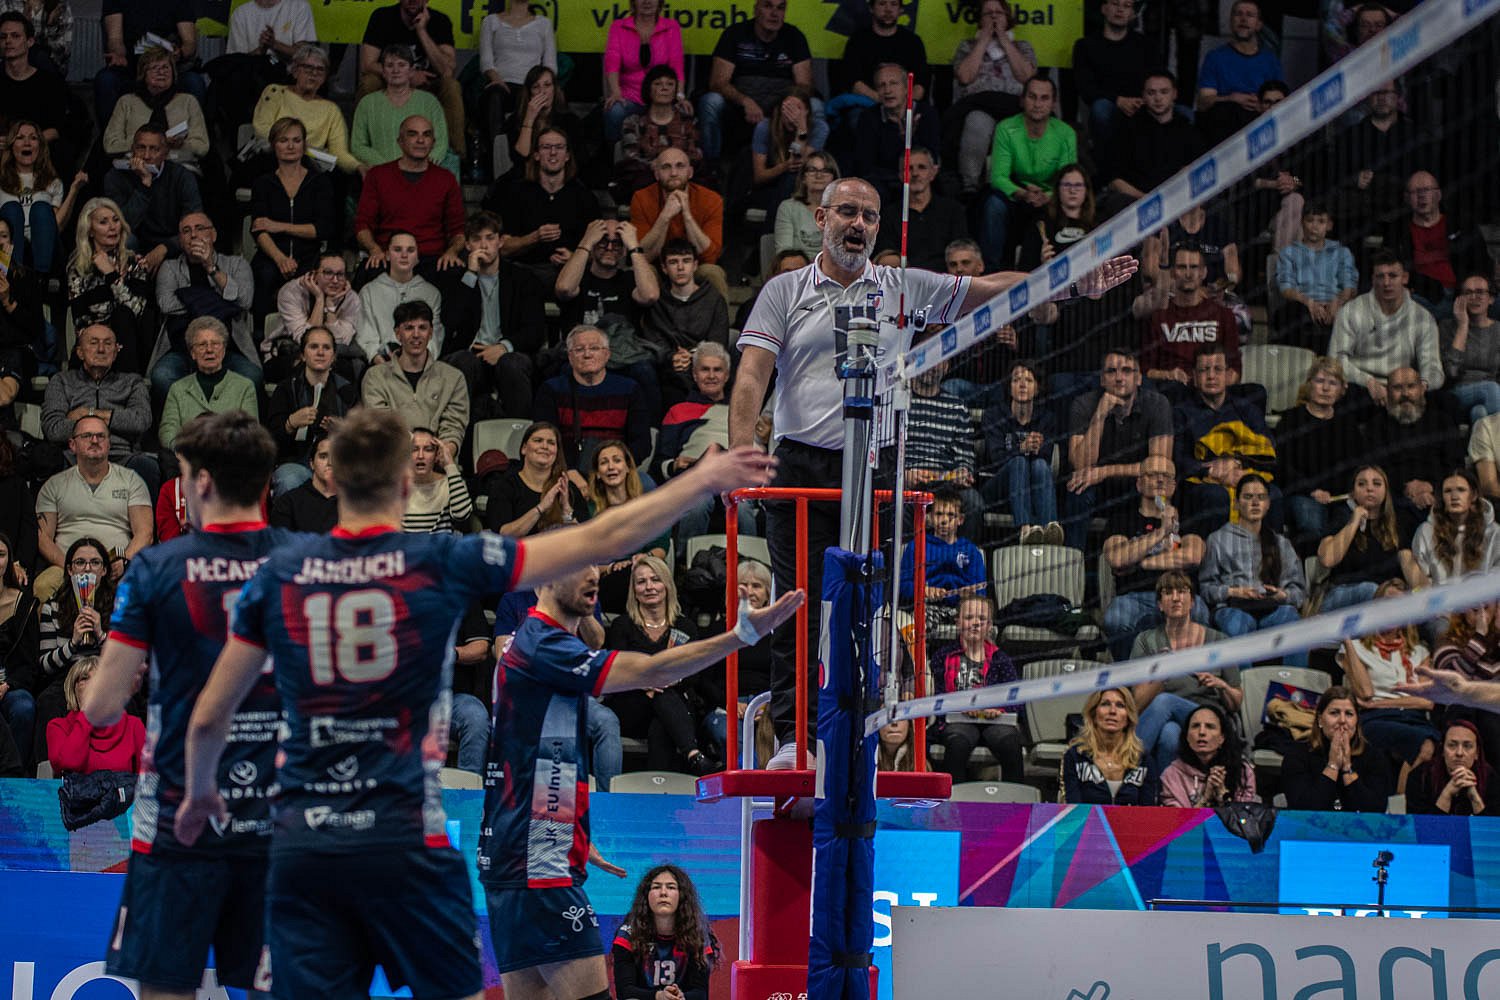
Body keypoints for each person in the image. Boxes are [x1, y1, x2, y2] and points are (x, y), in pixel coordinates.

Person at [172, 407, 785, 996]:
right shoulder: (443, 560)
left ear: (330, 477)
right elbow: (603, 535)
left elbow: (209, 718)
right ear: (407, 483)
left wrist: (200, 795)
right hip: (406, 839)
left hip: (308, 840)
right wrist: (701, 479)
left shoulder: (281, 572)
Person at [730, 174, 1136, 755]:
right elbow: (752, 375)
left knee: (864, 609)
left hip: (875, 465)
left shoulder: (900, 286)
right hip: (800, 466)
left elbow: (989, 289)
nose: (859, 224)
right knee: (799, 605)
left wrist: (1069, 282)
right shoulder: (784, 290)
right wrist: (741, 454)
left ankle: (855, 736)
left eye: (870, 216)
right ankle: (797, 739)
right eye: (847, 212)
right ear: (821, 219)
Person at [478, 558, 800, 1000]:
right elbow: (653, 671)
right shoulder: (544, 646)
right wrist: (740, 635)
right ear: (545, 581)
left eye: (596, 565)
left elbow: (530, 755)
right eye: (580, 564)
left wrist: (565, 830)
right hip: (540, 871)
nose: (593, 574)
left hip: (514, 857)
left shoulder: (532, 643)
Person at [71, 411, 284, 996]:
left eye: (185, 475)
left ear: (204, 482)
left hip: (176, 815)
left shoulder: (157, 567)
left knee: (166, 985)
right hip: (275, 816)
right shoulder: (303, 559)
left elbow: (100, 710)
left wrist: (131, 670)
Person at [604, 554, 720, 773]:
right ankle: (694, 755)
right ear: (634, 590)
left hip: (673, 703)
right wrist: (645, 682)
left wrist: (670, 680)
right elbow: (618, 668)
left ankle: (662, 782)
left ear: (667, 585)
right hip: (632, 704)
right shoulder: (622, 625)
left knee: (661, 722)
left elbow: (694, 674)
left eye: (655, 580)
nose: (649, 587)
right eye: (641, 582)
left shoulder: (685, 626)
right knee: (664, 703)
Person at [438, 211, 546, 421]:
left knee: (512, 364)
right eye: (476, 239)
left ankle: (520, 433)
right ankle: (459, 436)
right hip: (471, 354)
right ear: (467, 245)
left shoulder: (523, 279)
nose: (484, 245)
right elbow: (450, 323)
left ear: (500, 241)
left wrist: (504, 347)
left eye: (490, 238)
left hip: (509, 352)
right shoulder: (457, 280)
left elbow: (535, 330)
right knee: (463, 361)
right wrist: (470, 274)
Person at [1061, 346, 1171, 548]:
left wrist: (1104, 471)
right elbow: (1081, 464)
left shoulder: (1157, 404)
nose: (1119, 378)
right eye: (1111, 371)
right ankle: (1073, 560)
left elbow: (1160, 467)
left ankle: (1151, 557)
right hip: (1098, 487)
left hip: (1137, 484)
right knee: (1078, 488)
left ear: (1139, 378)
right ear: (1102, 379)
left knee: (1158, 488)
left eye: (1127, 371)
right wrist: (1100, 413)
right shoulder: (1084, 404)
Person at [1126, 572, 1238, 770]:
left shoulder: (1219, 640)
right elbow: (1137, 704)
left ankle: (1124, 767)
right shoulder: (1146, 641)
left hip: (1209, 716)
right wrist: (1163, 674)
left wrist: (1221, 685)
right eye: (1168, 592)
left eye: (1182, 591)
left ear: (1192, 601)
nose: (1176, 598)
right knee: (1170, 734)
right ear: (1160, 605)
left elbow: (1236, 702)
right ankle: (1164, 790)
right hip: (1165, 719)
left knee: (1165, 701)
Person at [1102, 456, 1208, 661]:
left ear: (1174, 486)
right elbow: (1117, 558)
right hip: (1135, 596)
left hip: (1179, 593)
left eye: (1166, 476)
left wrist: (1142, 562)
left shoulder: (1189, 519)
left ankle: (1184, 674)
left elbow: (1192, 557)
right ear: (1139, 483)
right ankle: (1131, 674)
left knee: (1200, 613)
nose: (1160, 480)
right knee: (1116, 618)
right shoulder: (1121, 519)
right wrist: (1161, 533)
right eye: (1153, 475)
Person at [34, 418, 152, 598]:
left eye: (100, 436)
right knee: (43, 585)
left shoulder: (131, 481)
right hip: (66, 567)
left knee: (147, 585)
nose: (95, 440)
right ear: (72, 445)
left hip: (117, 567)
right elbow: (42, 537)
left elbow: (145, 533)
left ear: (109, 443)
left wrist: (124, 561)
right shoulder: (54, 485)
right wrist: (69, 566)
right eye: (87, 436)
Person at [150, 212, 260, 401]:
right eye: (186, 231)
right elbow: (166, 304)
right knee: (161, 377)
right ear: (180, 240)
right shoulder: (170, 268)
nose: (193, 235)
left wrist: (210, 268)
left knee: (252, 377)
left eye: (200, 228)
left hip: (228, 349)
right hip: (181, 349)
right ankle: (192, 416)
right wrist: (222, 303)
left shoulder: (236, 264)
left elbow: (244, 301)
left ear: (213, 235)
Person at [1339, 578, 1440, 780]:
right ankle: (1403, 798)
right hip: (1376, 720)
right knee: (1425, 745)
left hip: (1413, 719)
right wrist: (1347, 640)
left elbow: (1427, 702)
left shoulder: (1420, 651)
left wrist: (1380, 703)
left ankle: (1400, 796)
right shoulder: (1355, 648)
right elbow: (1365, 693)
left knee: (1441, 744)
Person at [1172, 345, 1276, 535]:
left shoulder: (1247, 409)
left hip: (1244, 474)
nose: (1211, 376)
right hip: (1201, 483)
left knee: (1273, 494)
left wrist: (1237, 464)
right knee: (1217, 496)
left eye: (1218, 369)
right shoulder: (1181, 412)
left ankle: (1269, 552)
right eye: (1204, 370)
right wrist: (1211, 471)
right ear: (1194, 376)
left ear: (1228, 375)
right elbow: (1177, 459)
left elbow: (1268, 450)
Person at [40, 323, 156, 490]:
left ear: (115, 353)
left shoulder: (132, 382)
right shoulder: (61, 381)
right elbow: (54, 429)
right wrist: (114, 418)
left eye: (108, 344)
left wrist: (87, 414)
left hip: (121, 456)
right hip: (74, 457)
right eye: (93, 343)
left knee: (148, 467)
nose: (101, 349)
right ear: (80, 352)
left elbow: (141, 421)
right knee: (46, 462)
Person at [980, 76, 1077, 269]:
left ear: (1053, 103)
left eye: (1044, 98)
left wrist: (1048, 195)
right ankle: (992, 272)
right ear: (1022, 100)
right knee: (993, 205)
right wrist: (1023, 193)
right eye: (1032, 97)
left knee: (1072, 202)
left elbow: (1068, 178)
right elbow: (998, 177)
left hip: (1052, 198)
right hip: (1017, 194)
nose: (1038, 104)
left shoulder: (1066, 133)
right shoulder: (1006, 128)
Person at [34, 537, 119, 757]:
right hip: (66, 676)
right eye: (80, 562)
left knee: (129, 704)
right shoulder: (53, 606)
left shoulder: (119, 605)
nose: (87, 569)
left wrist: (101, 634)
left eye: (95, 562)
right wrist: (72, 643)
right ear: (70, 570)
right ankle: (47, 770)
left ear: (104, 570)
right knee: (47, 702)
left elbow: (125, 661)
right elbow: (44, 665)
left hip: (106, 675)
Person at [248, 116, 338, 323]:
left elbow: (322, 229)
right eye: (283, 140)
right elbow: (259, 229)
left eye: (296, 141)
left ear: (304, 145)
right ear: (274, 145)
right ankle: (261, 335)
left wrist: (279, 226)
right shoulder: (263, 183)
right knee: (264, 275)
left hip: (309, 256)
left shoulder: (319, 182)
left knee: (314, 280)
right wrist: (281, 259)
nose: (290, 146)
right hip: (272, 256)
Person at [1199, 475, 1307, 646]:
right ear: (1236, 503)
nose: (1255, 503)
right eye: (1248, 497)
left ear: (1268, 504)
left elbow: (1299, 593)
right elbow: (1206, 589)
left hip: (1272, 608)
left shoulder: (1281, 543)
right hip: (1233, 608)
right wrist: (1235, 592)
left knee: (1291, 618)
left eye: (1261, 497)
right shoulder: (1217, 539)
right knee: (1236, 624)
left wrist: (1281, 594)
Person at [650, 342, 742, 544]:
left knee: (742, 506)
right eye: (705, 369)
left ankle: (750, 561)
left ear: (727, 375)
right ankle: (687, 562)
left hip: (734, 478)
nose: (711, 376)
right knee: (698, 504)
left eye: (717, 370)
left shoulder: (741, 410)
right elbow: (658, 464)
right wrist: (675, 464)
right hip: (693, 478)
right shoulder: (678, 411)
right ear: (694, 374)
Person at [699, 0, 814, 160]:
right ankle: (711, 166)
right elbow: (717, 83)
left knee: (816, 106)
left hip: (782, 106)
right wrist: (745, 101)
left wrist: (789, 105)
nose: (774, 13)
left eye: (780, 8)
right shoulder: (735, 33)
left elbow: (804, 85)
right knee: (711, 101)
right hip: (740, 106)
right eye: (768, 6)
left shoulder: (795, 36)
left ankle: (808, 165)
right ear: (756, 10)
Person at [354, 114, 464, 277]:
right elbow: (362, 225)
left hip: (432, 258)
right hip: (388, 257)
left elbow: (458, 230)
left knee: (455, 273)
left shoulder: (446, 179)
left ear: (433, 142)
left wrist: (452, 252)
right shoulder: (378, 175)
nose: (420, 140)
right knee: (368, 272)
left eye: (426, 135)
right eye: (412, 134)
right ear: (400, 141)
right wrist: (374, 249)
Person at [489, 126, 600, 287]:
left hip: (570, 274)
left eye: (559, 147)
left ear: (567, 155)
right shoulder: (516, 194)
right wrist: (535, 237)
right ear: (536, 155)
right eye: (546, 147)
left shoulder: (584, 197)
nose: (553, 152)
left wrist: (574, 257)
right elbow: (502, 248)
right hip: (524, 272)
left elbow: (599, 251)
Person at [1329, 252, 1443, 407]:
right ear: (1373, 279)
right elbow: (1335, 359)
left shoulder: (1423, 317)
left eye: (1393, 276)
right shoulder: (1351, 311)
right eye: (1380, 276)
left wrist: (1421, 386)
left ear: (1405, 278)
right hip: (1360, 386)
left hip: (1404, 387)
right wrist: (1368, 381)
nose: (1386, 283)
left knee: (1445, 403)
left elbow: (1433, 367)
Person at [929, 595, 1022, 782]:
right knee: (957, 744)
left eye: (982, 619)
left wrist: (1000, 710)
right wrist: (959, 706)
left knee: (1010, 743)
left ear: (990, 626)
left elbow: (1017, 698)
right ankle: (954, 798)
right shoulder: (942, 656)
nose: (975, 623)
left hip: (995, 722)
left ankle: (1015, 799)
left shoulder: (1000, 658)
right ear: (957, 622)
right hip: (957, 720)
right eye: (969, 617)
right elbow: (936, 695)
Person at [536, 324, 654, 470]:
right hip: (567, 471)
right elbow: (544, 442)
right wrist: (568, 471)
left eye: (594, 348)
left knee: (646, 482)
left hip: (617, 469)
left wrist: (615, 468)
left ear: (607, 354)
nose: (587, 354)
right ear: (570, 357)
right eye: (579, 349)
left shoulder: (630, 389)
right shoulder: (551, 390)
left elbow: (642, 444)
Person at [949, 0, 1036, 195]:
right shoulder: (967, 46)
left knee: (1010, 128)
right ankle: (970, 186)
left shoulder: (1022, 47)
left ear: (1008, 18)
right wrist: (983, 40)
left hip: (1013, 107)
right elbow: (965, 76)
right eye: (988, 13)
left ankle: (1003, 186)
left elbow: (1027, 77)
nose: (994, 16)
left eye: (999, 13)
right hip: (978, 106)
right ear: (980, 20)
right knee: (977, 122)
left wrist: (1004, 39)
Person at [361, 300, 468, 458]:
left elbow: (453, 426)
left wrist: (442, 454)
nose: (416, 334)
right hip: (394, 462)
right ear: (398, 333)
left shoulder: (453, 378)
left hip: (438, 463)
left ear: (430, 333)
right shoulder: (375, 377)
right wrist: (415, 454)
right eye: (409, 328)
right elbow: (383, 426)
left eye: (422, 328)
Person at [1278, 358, 1363, 550]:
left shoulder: (1347, 424)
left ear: (1341, 390)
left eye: (1333, 383)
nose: (1325, 388)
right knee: (1311, 522)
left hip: (1339, 496)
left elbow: (1357, 465)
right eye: (1319, 381)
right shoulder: (1291, 419)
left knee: (1351, 522)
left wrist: (1344, 491)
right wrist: (1313, 491)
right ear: (1309, 384)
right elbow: (1283, 466)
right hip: (1302, 493)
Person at [357, 0, 462, 154]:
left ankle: (455, 155)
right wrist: (406, 75)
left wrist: (422, 31)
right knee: (369, 82)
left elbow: (447, 70)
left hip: (428, 84)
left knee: (451, 86)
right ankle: (362, 147)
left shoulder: (440, 20)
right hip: (391, 82)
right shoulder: (382, 17)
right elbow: (367, 64)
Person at [265, 325, 358, 496]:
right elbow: (270, 441)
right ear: (303, 355)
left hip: (338, 463)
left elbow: (362, 442)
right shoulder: (286, 389)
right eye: (314, 347)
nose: (320, 352)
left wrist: (344, 432)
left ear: (334, 356)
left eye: (326, 348)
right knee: (289, 479)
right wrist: (290, 423)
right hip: (296, 463)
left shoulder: (347, 390)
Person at [1382, 171, 1491, 315]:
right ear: (1406, 198)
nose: (1422, 196)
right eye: (1415, 192)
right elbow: (1387, 268)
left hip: (1462, 294)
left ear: (1438, 195)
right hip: (1419, 296)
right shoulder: (1396, 230)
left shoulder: (1462, 224)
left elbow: (1482, 262)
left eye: (1427, 190)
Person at [1363, 366, 1464, 518]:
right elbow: (1374, 469)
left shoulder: (1443, 422)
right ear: (1387, 392)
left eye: (1411, 386)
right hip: (1394, 498)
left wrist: (1431, 487)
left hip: (1439, 494)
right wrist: (1407, 489)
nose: (1405, 394)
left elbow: (1456, 465)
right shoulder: (1376, 426)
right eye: (1397, 388)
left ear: (1422, 389)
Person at [66, 197, 154, 373]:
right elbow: (81, 322)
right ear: (90, 231)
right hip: (93, 345)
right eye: (103, 222)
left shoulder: (134, 262)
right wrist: (103, 344)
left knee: (123, 315)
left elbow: (138, 312)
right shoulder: (78, 267)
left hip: (131, 346)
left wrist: (111, 276)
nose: (112, 227)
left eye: (115, 220)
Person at [1317, 465, 1421, 612]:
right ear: (1353, 492)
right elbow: (1327, 559)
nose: (1370, 488)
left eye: (1377, 484)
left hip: (1388, 596)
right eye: (1362, 484)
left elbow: (1410, 566)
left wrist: (1428, 599)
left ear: (1386, 491)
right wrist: (1354, 520)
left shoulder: (1397, 523)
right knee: (1370, 589)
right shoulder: (1341, 517)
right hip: (1341, 595)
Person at [100, 124, 202, 271]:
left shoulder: (182, 177)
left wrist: (165, 247)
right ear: (132, 149)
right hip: (135, 245)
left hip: (171, 244)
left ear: (166, 153)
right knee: (126, 240)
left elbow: (195, 224)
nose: (146, 156)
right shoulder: (116, 177)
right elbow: (121, 226)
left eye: (154, 149)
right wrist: (144, 187)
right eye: (141, 148)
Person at [980, 359, 1060, 544]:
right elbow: (995, 459)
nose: (1022, 385)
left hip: (1033, 489)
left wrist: (1037, 448)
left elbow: (1046, 459)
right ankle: (1025, 529)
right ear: (1009, 388)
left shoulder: (1047, 419)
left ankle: (1049, 529)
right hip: (998, 488)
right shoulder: (994, 416)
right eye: (1016, 380)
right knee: (1018, 462)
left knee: (1040, 465)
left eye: (1029, 380)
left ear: (1037, 388)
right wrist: (1022, 448)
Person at [612, 864, 719, 1000]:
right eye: (656, 887)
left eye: (671, 887)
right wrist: (659, 996)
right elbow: (624, 991)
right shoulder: (628, 935)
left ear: (681, 896)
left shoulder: (697, 936)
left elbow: (701, 993)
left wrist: (682, 997)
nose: (663, 893)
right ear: (646, 896)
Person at [251, 44, 360, 177]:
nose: (314, 74)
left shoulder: (331, 109)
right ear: (295, 71)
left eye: (320, 70)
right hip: (275, 158)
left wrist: (359, 166)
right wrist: (294, 147)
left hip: (311, 167)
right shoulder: (275, 92)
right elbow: (262, 129)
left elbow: (340, 152)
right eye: (308, 68)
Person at [643, 240, 729, 406]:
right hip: (669, 366)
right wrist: (672, 357)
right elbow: (653, 339)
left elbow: (719, 340)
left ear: (695, 265)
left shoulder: (713, 298)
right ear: (664, 268)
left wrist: (693, 356)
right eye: (673, 262)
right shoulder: (657, 301)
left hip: (705, 363)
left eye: (686, 261)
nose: (681, 267)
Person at [1141, 246, 1241, 389]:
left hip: (1212, 389)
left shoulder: (1224, 315)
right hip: (1172, 389)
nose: (1188, 274)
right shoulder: (1157, 316)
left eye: (1194, 267)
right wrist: (1168, 375)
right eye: (1182, 267)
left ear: (1204, 272)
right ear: (1172, 272)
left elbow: (1235, 369)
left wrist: (1212, 383)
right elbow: (1145, 370)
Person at [1281, 685, 1394, 812]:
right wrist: (1333, 766)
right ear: (1320, 719)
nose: (1342, 720)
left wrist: (1347, 768)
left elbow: (1375, 811)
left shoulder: (1374, 756)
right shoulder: (1297, 754)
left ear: (1357, 721)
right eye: (1334, 713)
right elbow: (1303, 808)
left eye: (1349, 714)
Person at [1103, 71, 1203, 210]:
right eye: (1151, 93)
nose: (1158, 98)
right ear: (1143, 96)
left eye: (1164, 92)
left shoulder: (1187, 130)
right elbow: (1114, 179)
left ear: (1174, 94)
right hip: (1135, 203)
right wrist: (1146, 200)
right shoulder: (1127, 129)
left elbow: (1195, 172)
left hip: (1176, 202)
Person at [94, 0, 204, 126]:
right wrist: (118, 54)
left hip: (170, 67)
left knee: (194, 82)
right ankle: (111, 136)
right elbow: (115, 39)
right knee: (106, 80)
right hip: (131, 67)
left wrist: (179, 53)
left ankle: (194, 136)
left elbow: (189, 42)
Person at [588, 441, 667, 614]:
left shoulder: (648, 508)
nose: (611, 467)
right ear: (598, 474)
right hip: (605, 578)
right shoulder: (589, 511)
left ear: (628, 468)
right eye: (604, 463)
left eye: (617, 460)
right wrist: (611, 567)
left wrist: (643, 558)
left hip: (640, 572)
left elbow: (661, 548)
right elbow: (583, 562)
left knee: (641, 576)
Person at [102, 47, 209, 174]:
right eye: (155, 68)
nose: (161, 72)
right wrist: (145, 143)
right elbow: (110, 145)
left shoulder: (188, 101)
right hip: (136, 167)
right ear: (143, 74)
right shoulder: (126, 102)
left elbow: (203, 147)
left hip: (178, 167)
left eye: (166, 68)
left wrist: (182, 144)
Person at [555, 219, 661, 348]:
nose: (609, 248)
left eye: (617, 243)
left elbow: (650, 296)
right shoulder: (577, 277)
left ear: (624, 250)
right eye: (603, 242)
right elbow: (564, 289)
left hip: (624, 353)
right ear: (593, 244)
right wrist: (586, 241)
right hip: (580, 352)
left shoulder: (630, 279)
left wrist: (634, 246)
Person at [158, 318, 259, 450]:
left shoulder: (245, 387)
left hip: (230, 457)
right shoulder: (178, 389)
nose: (209, 350)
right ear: (193, 353)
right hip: (187, 456)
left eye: (215, 344)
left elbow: (250, 432)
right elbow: (167, 432)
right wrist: (189, 450)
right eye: (202, 345)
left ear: (223, 350)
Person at [351, 44, 454, 174]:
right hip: (383, 174)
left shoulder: (429, 102)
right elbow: (358, 145)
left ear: (411, 71)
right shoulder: (367, 103)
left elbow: (441, 140)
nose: (396, 70)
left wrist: (425, 163)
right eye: (390, 65)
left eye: (401, 65)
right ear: (383, 72)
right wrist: (386, 166)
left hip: (422, 174)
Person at [1071, 0, 1153, 161]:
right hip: (1108, 107)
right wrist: (1118, 100)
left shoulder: (1146, 45)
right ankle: (1105, 165)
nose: (1120, 9)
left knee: (1184, 113)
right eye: (1115, 3)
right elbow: (1086, 89)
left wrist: (1142, 101)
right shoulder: (1084, 46)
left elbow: (1157, 77)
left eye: (1126, 6)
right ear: (1104, 8)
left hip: (1141, 105)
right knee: (1101, 108)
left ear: (1133, 14)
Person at [0, 120, 83, 275]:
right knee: (11, 209)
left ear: (40, 146)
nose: (27, 143)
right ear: (11, 146)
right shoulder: (1, 180)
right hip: (8, 247)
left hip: (44, 244)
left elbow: (56, 226)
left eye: (33, 138)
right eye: (20, 138)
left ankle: (41, 281)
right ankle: (12, 276)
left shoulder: (53, 182)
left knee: (41, 208)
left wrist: (74, 191)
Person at [1196, 0, 1284, 144]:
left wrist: (1261, 104)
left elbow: (1280, 101)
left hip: (1258, 126)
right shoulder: (1215, 57)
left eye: (1250, 15)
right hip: (1224, 126)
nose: (1243, 19)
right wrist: (1231, 98)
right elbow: (1203, 102)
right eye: (1238, 14)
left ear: (1258, 25)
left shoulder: (1270, 60)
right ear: (1231, 22)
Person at [1274, 202, 1359, 350]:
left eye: (1321, 221)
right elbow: (1286, 288)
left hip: (1335, 305)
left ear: (1329, 225)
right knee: (1289, 314)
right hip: (1302, 306)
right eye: (1309, 220)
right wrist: (1309, 303)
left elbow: (1350, 286)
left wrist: (1338, 302)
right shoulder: (1288, 253)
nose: (1314, 227)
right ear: (1302, 223)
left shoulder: (1342, 252)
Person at [852, 64, 940, 206]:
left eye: (893, 83)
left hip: (919, 177)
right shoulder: (869, 117)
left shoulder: (926, 114)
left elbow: (931, 157)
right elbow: (865, 164)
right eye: (882, 85)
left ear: (906, 88)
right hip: (886, 182)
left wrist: (910, 138)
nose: (887, 90)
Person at [483, 421, 587, 537]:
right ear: (524, 448)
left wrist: (566, 509)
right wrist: (540, 508)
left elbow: (584, 537)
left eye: (551, 443)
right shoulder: (504, 487)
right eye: (538, 441)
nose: (545, 446)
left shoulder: (568, 489)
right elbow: (503, 535)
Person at [870, 147, 967, 272]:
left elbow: (961, 249)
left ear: (933, 172)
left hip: (945, 278)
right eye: (909, 168)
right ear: (900, 175)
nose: (915, 174)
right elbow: (886, 256)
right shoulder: (889, 215)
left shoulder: (953, 210)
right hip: (905, 278)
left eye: (922, 167)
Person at [632, 146, 724, 276]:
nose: (673, 173)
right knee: (644, 270)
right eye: (666, 167)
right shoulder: (641, 198)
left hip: (694, 267)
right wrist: (665, 216)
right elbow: (643, 256)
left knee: (712, 272)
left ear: (690, 172)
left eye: (680, 166)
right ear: (656, 174)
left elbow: (710, 257)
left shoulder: (711, 199)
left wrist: (687, 216)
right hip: (658, 266)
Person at [271, 252, 363, 381]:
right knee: (309, 367)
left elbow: (341, 343)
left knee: (350, 367)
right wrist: (319, 299)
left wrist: (330, 307)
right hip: (287, 352)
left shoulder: (351, 298)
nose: (335, 280)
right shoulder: (291, 292)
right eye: (328, 273)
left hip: (332, 355)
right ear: (314, 274)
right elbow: (305, 340)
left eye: (340, 274)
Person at [354, 232, 445, 361]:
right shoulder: (369, 291)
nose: (404, 255)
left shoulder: (431, 293)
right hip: (381, 364)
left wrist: (418, 362)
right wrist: (378, 359)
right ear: (387, 255)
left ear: (417, 257)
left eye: (410, 250)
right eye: (397, 249)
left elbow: (434, 336)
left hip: (421, 363)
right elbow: (366, 334)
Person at [602, 0, 685, 141]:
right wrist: (616, 92)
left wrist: (679, 96)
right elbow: (612, 62)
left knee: (683, 111)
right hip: (629, 96)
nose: (647, 1)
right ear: (633, 2)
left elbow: (677, 65)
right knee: (615, 111)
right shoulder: (618, 26)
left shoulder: (671, 26)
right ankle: (615, 153)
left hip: (662, 96)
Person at [478, 0, 557, 148]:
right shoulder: (491, 21)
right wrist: (497, 80)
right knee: (494, 96)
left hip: (532, 85)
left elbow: (550, 64)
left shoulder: (544, 24)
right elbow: (486, 62)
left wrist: (539, 86)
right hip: (503, 85)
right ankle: (496, 152)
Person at [46, 654, 143, 774]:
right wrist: (85, 715)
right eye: (84, 678)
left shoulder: (133, 726)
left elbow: (148, 778)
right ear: (73, 690)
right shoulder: (58, 727)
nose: (93, 684)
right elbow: (69, 765)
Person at [897, 485, 986, 613]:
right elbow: (902, 585)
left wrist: (968, 594)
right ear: (930, 517)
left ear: (960, 519)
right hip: (923, 608)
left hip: (961, 610)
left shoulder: (971, 551)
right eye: (939, 514)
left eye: (951, 515)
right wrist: (924, 591)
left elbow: (980, 590)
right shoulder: (916, 546)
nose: (944, 520)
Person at [1061, 687, 1157, 805]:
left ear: (1128, 717)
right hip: (1086, 818)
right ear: (1093, 714)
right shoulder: (1075, 756)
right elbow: (1072, 808)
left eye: (1120, 705)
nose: (1112, 711)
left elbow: (1148, 811)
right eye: (1105, 704)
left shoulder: (1143, 760)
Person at [617, 65, 703, 195]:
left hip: (682, 176)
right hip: (647, 175)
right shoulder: (633, 121)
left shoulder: (689, 122)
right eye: (658, 84)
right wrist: (659, 166)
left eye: (670, 84)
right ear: (648, 89)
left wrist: (674, 167)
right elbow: (631, 156)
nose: (664, 88)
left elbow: (696, 154)